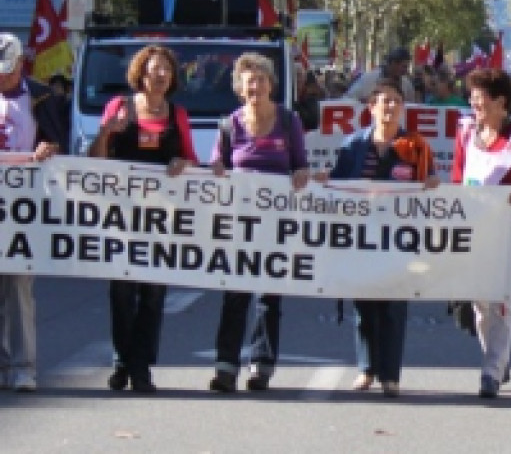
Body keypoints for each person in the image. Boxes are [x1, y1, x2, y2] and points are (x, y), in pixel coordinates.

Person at [89, 46, 198, 393]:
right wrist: (106, 132)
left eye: (167, 70)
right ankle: (122, 361)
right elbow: (96, 160)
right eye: (155, 69)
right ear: (141, 73)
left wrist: (184, 165)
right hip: (121, 216)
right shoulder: (119, 108)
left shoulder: (178, 114)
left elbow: (192, 159)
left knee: (153, 294)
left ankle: (142, 367)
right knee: (121, 292)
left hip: (161, 220)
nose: (161, 75)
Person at [324, 78, 440, 396]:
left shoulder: (416, 146)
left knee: (393, 306)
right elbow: (337, 185)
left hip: (399, 237)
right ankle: (366, 369)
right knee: (364, 306)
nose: (389, 107)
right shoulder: (352, 146)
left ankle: (391, 375)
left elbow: (431, 180)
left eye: (395, 101)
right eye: (383, 101)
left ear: (403, 108)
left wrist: (431, 183)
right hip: (361, 235)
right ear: (370, 108)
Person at [208, 53, 309, 393]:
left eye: (262, 79)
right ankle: (225, 366)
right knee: (234, 292)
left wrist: (301, 174)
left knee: (269, 296)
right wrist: (218, 170)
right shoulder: (229, 125)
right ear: (240, 87)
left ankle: (261, 365)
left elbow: (300, 165)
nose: (256, 86)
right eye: (249, 81)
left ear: (271, 84)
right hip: (238, 223)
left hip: (277, 223)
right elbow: (217, 165)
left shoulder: (288, 120)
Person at [452, 68, 511, 399]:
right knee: (480, 303)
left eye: (480, 98)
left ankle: (491, 371)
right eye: (473, 98)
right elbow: (457, 178)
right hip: (472, 231)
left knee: (502, 300)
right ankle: (497, 357)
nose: (474, 104)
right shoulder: (465, 133)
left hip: (509, 231)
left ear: (500, 102)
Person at [0, 34, 68, 393]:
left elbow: (62, 144)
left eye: (7, 73)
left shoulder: (42, 97)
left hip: (24, 205)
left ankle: (23, 366)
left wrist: (50, 146)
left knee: (19, 286)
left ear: (20, 66)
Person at [345, 47, 414, 102]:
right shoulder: (368, 79)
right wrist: (364, 102)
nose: (405, 70)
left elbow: (411, 105)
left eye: (406, 67)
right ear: (393, 63)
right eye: (404, 67)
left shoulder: (406, 84)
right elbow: (348, 98)